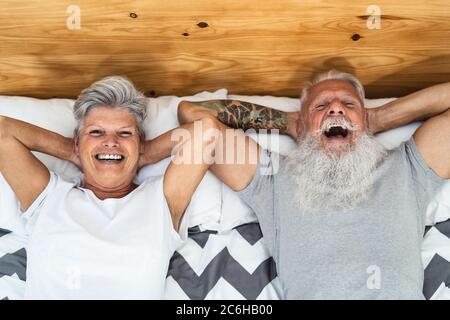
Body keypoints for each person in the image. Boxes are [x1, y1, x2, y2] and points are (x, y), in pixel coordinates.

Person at [177, 70, 450, 299]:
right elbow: (192, 115)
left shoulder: (407, 167)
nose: (335, 108)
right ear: (300, 127)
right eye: (321, 107)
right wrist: (287, 122)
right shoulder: (272, 178)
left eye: (349, 104)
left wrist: (378, 118)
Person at [0, 76, 220, 299]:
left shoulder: (162, 201)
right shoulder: (49, 197)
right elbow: (2, 130)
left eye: (125, 133)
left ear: (140, 141)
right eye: (96, 132)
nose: (111, 141)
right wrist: (70, 150)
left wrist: (147, 152)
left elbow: (207, 131)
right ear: (77, 140)